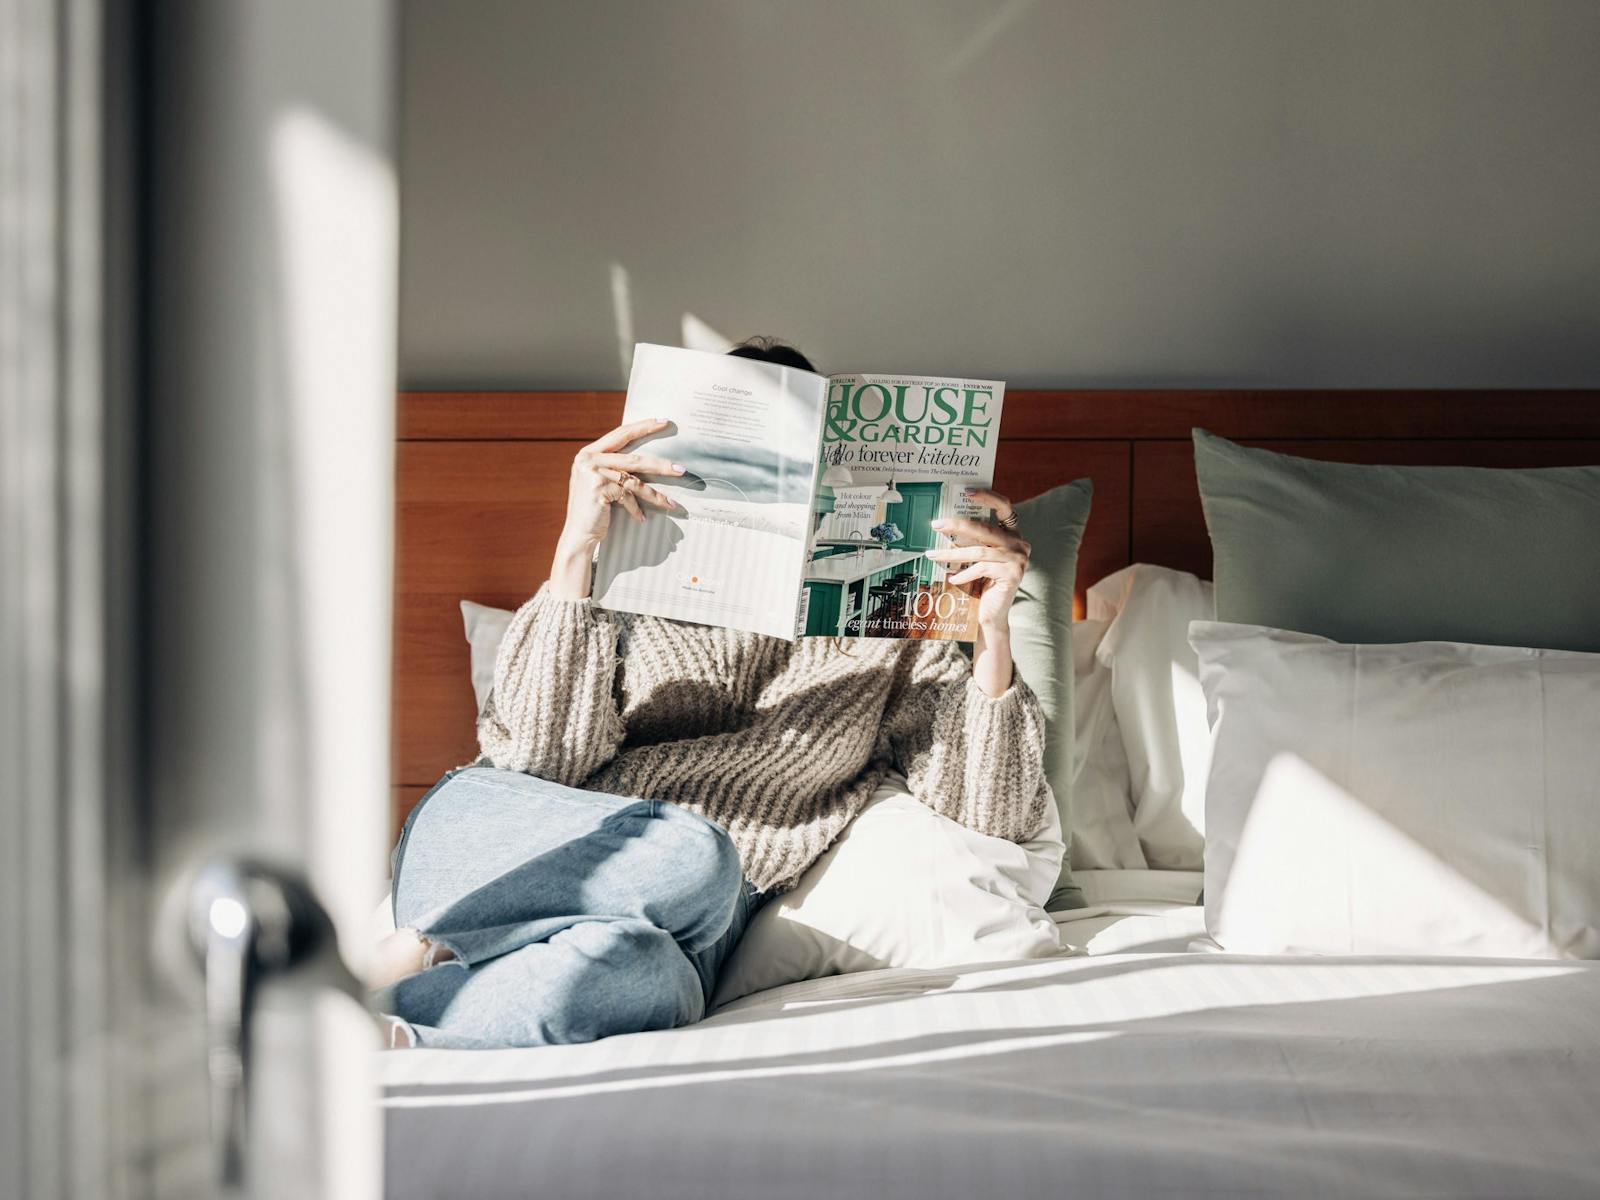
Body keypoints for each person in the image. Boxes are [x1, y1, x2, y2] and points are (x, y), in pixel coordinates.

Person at [372, 338, 1050, 1049]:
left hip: (695, 927)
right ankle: (428, 937)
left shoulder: (887, 630)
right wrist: (576, 554)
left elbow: (989, 814)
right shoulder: (630, 575)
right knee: (694, 855)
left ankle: (392, 1027)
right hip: (502, 851)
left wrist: (990, 630)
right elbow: (535, 759)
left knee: (648, 978)